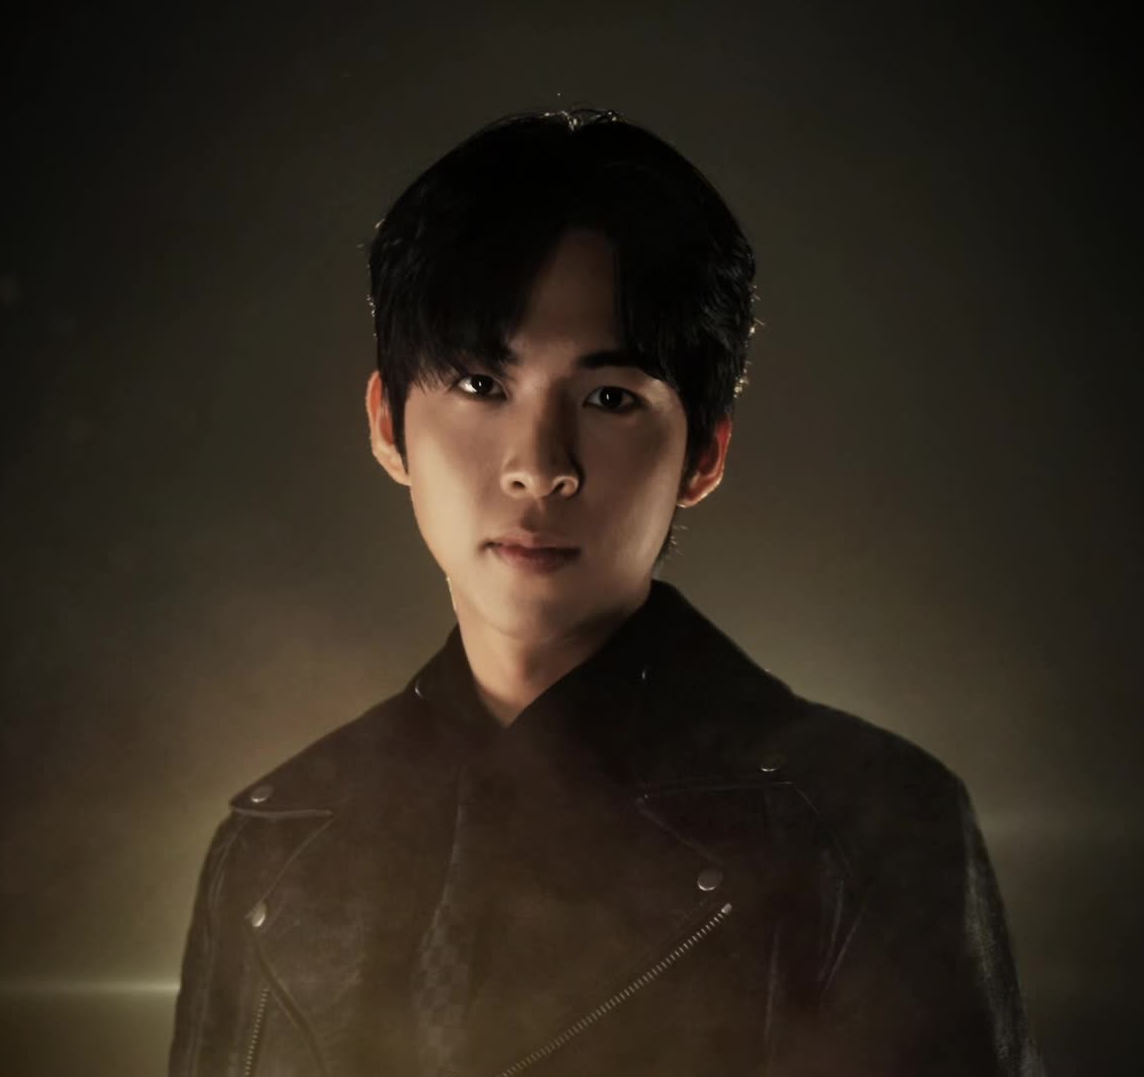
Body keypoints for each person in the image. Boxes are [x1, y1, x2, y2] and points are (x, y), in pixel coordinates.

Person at [168, 108, 1042, 1077]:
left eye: (610, 398)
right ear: (387, 424)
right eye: (480, 385)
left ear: (703, 452)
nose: (540, 467)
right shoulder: (275, 844)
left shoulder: (867, 827)